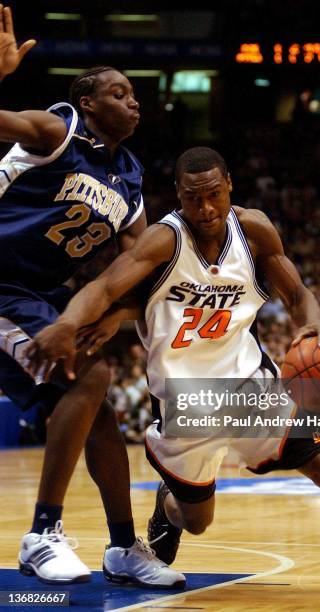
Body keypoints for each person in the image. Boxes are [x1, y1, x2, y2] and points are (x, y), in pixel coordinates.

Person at [26, 146, 320, 588]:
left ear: (229, 184)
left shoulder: (253, 230)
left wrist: (312, 325)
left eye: (214, 194)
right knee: (196, 521)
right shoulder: (164, 240)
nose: (206, 207)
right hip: (185, 398)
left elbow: (297, 294)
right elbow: (105, 286)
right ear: (178, 195)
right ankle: (170, 504)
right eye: (194, 198)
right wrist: (71, 322)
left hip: (250, 383)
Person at [0, 5, 184, 588]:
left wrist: (119, 315)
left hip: (35, 297)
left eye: (135, 96)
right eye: (121, 93)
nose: (134, 102)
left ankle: (123, 547)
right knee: (92, 378)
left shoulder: (128, 182)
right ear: (89, 104)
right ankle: (43, 534)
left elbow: (143, 267)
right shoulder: (58, 131)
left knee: (97, 411)